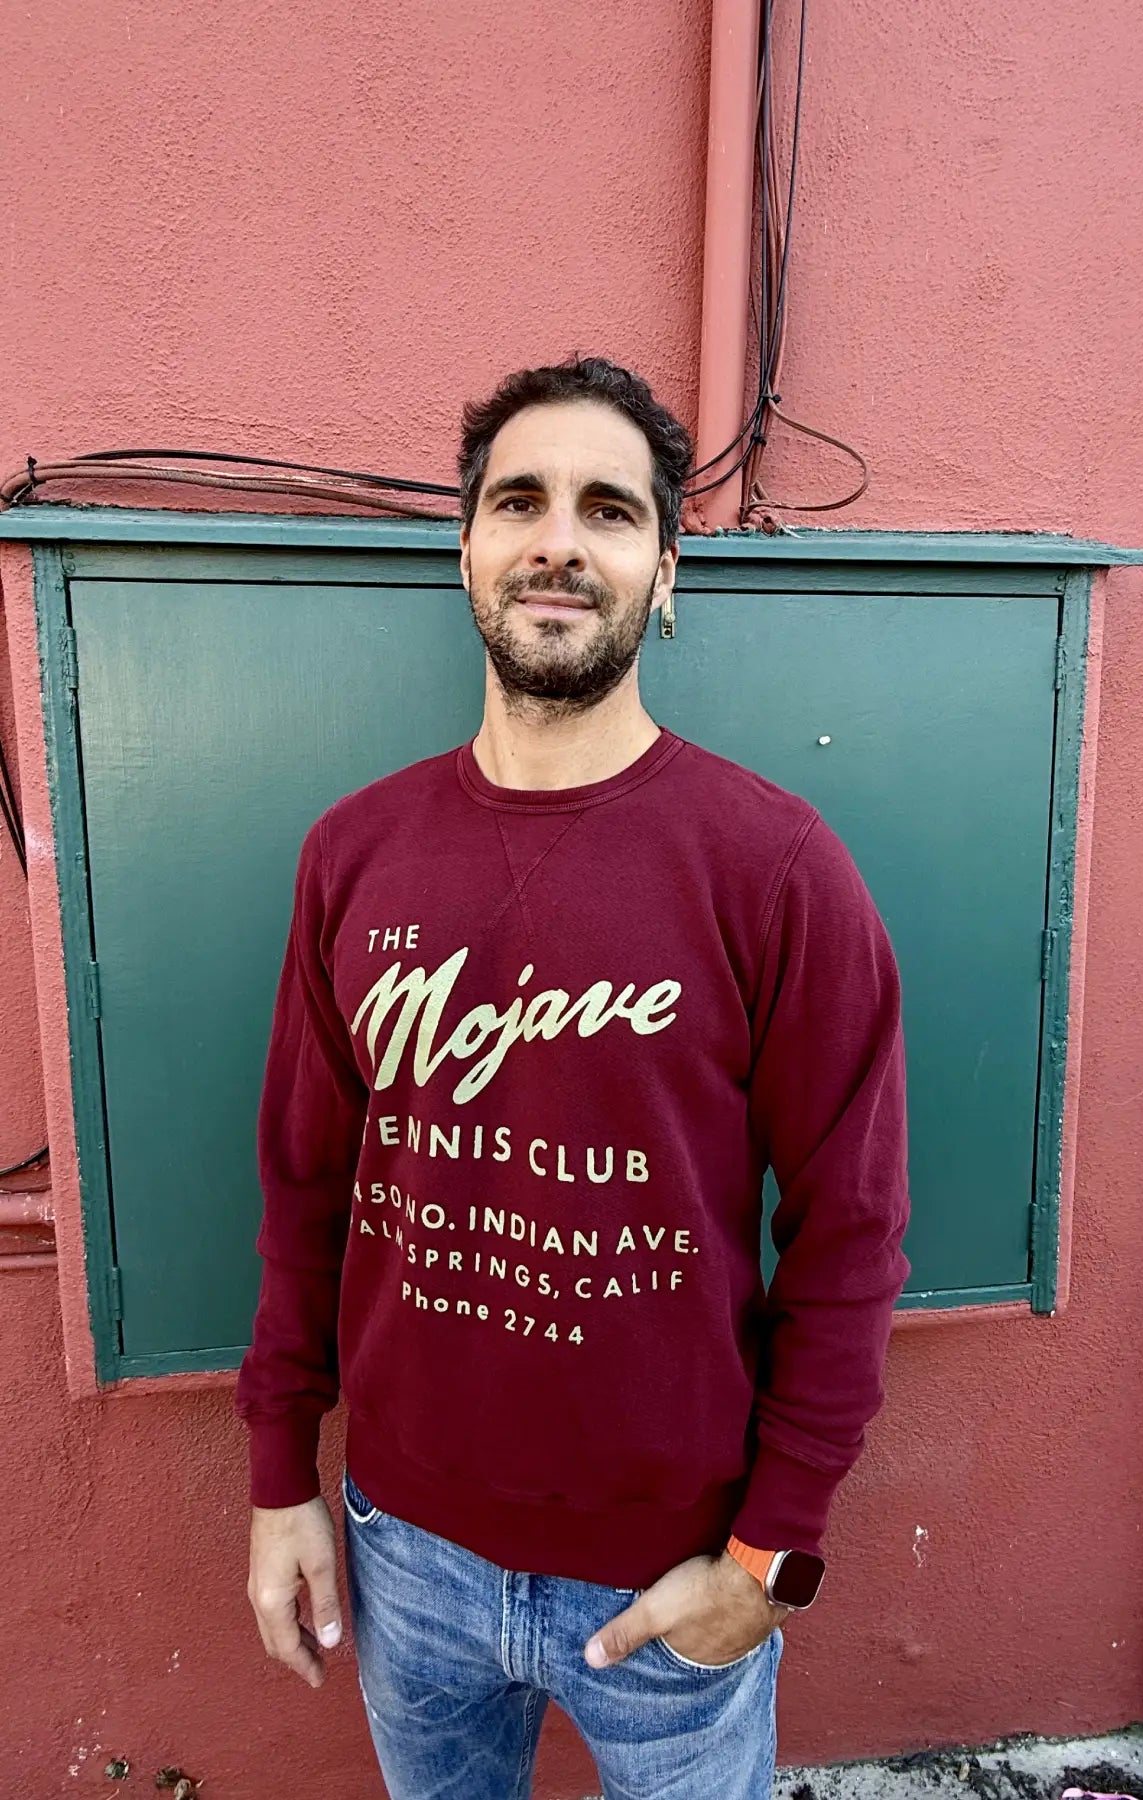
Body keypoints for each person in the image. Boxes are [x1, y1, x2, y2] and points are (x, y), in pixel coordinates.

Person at [236, 355, 911, 1800]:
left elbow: (852, 1235)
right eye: (518, 502)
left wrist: (772, 1555)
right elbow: (304, 1188)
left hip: (678, 1575)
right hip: (405, 1550)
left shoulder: (776, 870)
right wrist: (280, 1476)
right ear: (466, 551)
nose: (558, 540)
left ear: (665, 572)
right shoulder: (353, 854)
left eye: (609, 509)